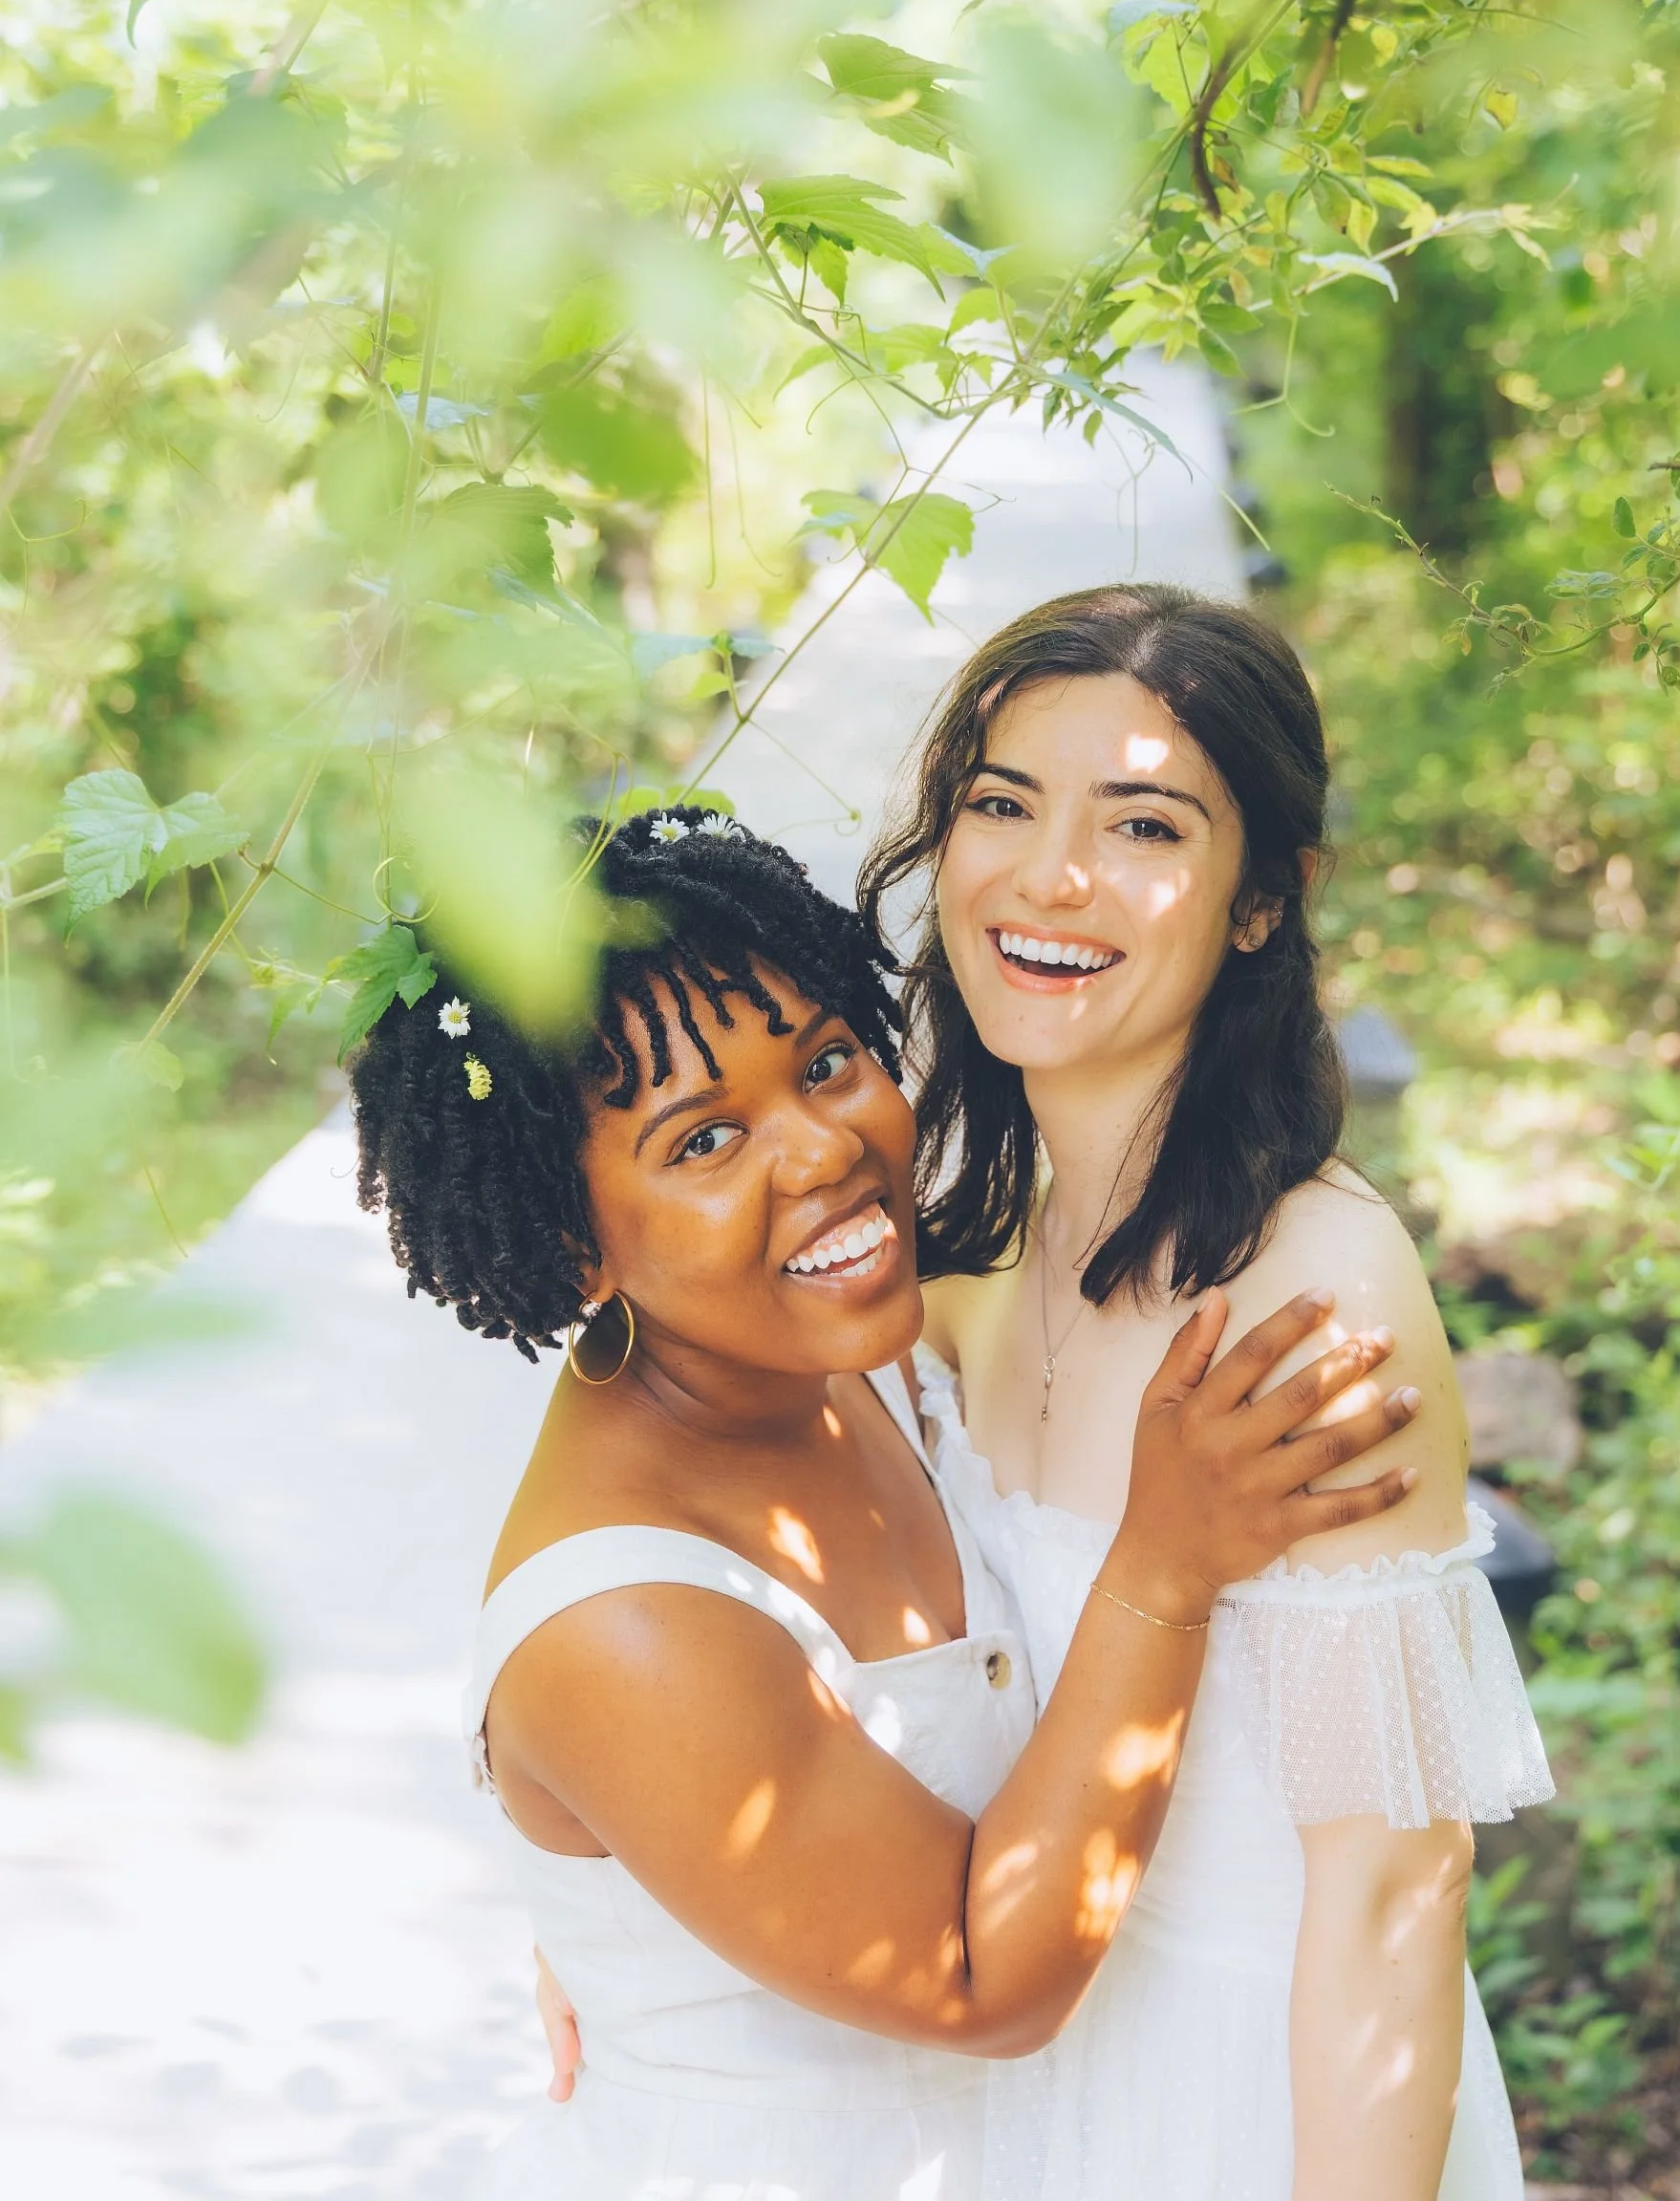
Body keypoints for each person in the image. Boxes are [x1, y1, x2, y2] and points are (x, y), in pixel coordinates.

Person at [350, 806, 1421, 2201]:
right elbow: (984, 1984)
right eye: (703, 1143)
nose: (822, 1151)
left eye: (831, 1062)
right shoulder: (625, 1627)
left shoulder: (854, 1354)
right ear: (571, 1243)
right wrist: (1167, 1564)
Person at [856, 582, 1555, 2201]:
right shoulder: (978, 1263)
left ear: (1263, 901)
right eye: (1001, 805)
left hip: (1262, 2108)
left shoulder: (1311, 1295)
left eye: (1147, 826)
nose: (1051, 877)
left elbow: (1392, 1891)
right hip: (1026, 2075)